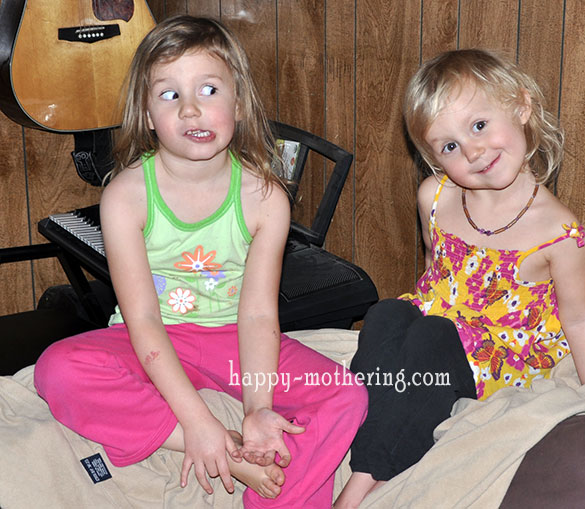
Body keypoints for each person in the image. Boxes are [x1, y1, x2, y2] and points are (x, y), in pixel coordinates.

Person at [34, 15, 367, 508]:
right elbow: (143, 320)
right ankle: (230, 454)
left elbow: (257, 314)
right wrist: (200, 424)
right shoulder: (126, 196)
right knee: (57, 369)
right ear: (147, 115)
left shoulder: (266, 198)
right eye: (170, 95)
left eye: (209, 89)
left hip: (231, 341)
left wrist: (257, 408)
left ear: (238, 100)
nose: (191, 109)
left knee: (347, 396)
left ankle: (272, 489)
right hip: (150, 340)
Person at [334, 48, 585, 508]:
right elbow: (435, 270)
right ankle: (382, 418)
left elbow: (580, 318)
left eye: (479, 126)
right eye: (449, 146)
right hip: (439, 322)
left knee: (429, 339)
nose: (473, 151)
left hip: (500, 349)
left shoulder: (559, 231)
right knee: (385, 314)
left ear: (520, 105)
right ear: (435, 159)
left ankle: (361, 483)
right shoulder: (435, 196)